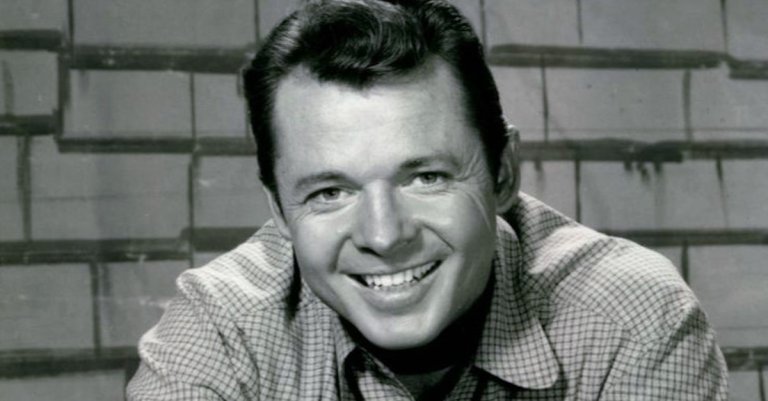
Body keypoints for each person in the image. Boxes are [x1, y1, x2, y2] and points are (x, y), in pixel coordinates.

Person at [127, 0, 728, 399]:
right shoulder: (221, 330)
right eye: (330, 192)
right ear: (280, 211)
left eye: (427, 177)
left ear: (502, 174)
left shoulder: (628, 319)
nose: (384, 236)